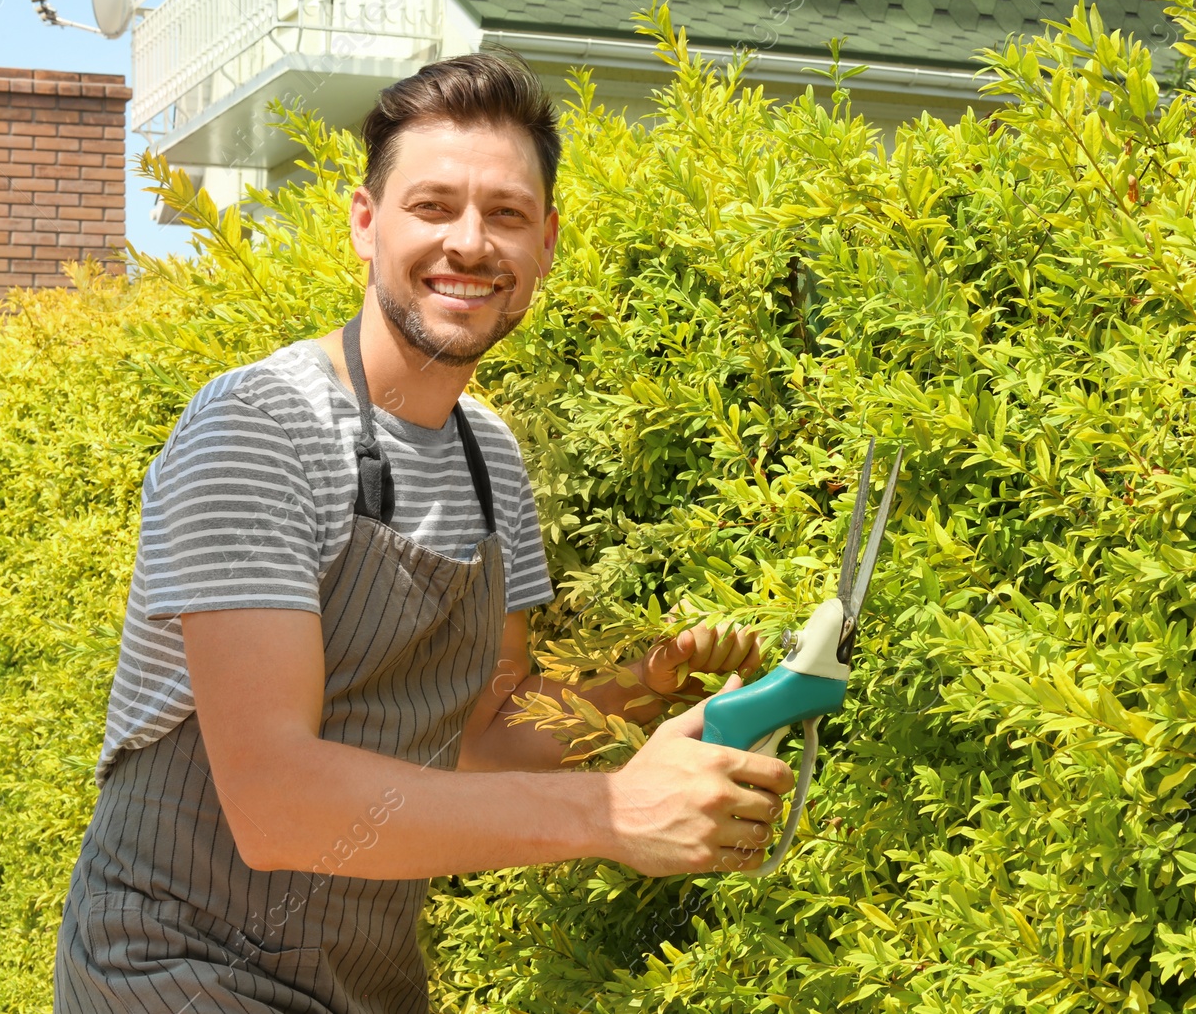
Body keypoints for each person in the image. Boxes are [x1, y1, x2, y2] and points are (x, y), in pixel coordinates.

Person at [54, 52, 793, 1014]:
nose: (471, 243)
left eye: (507, 214)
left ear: (548, 242)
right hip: (171, 966)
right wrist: (608, 811)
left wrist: (634, 698)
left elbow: (477, 736)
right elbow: (276, 802)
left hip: (363, 981)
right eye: (433, 207)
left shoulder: (491, 458)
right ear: (367, 224)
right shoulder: (258, 430)